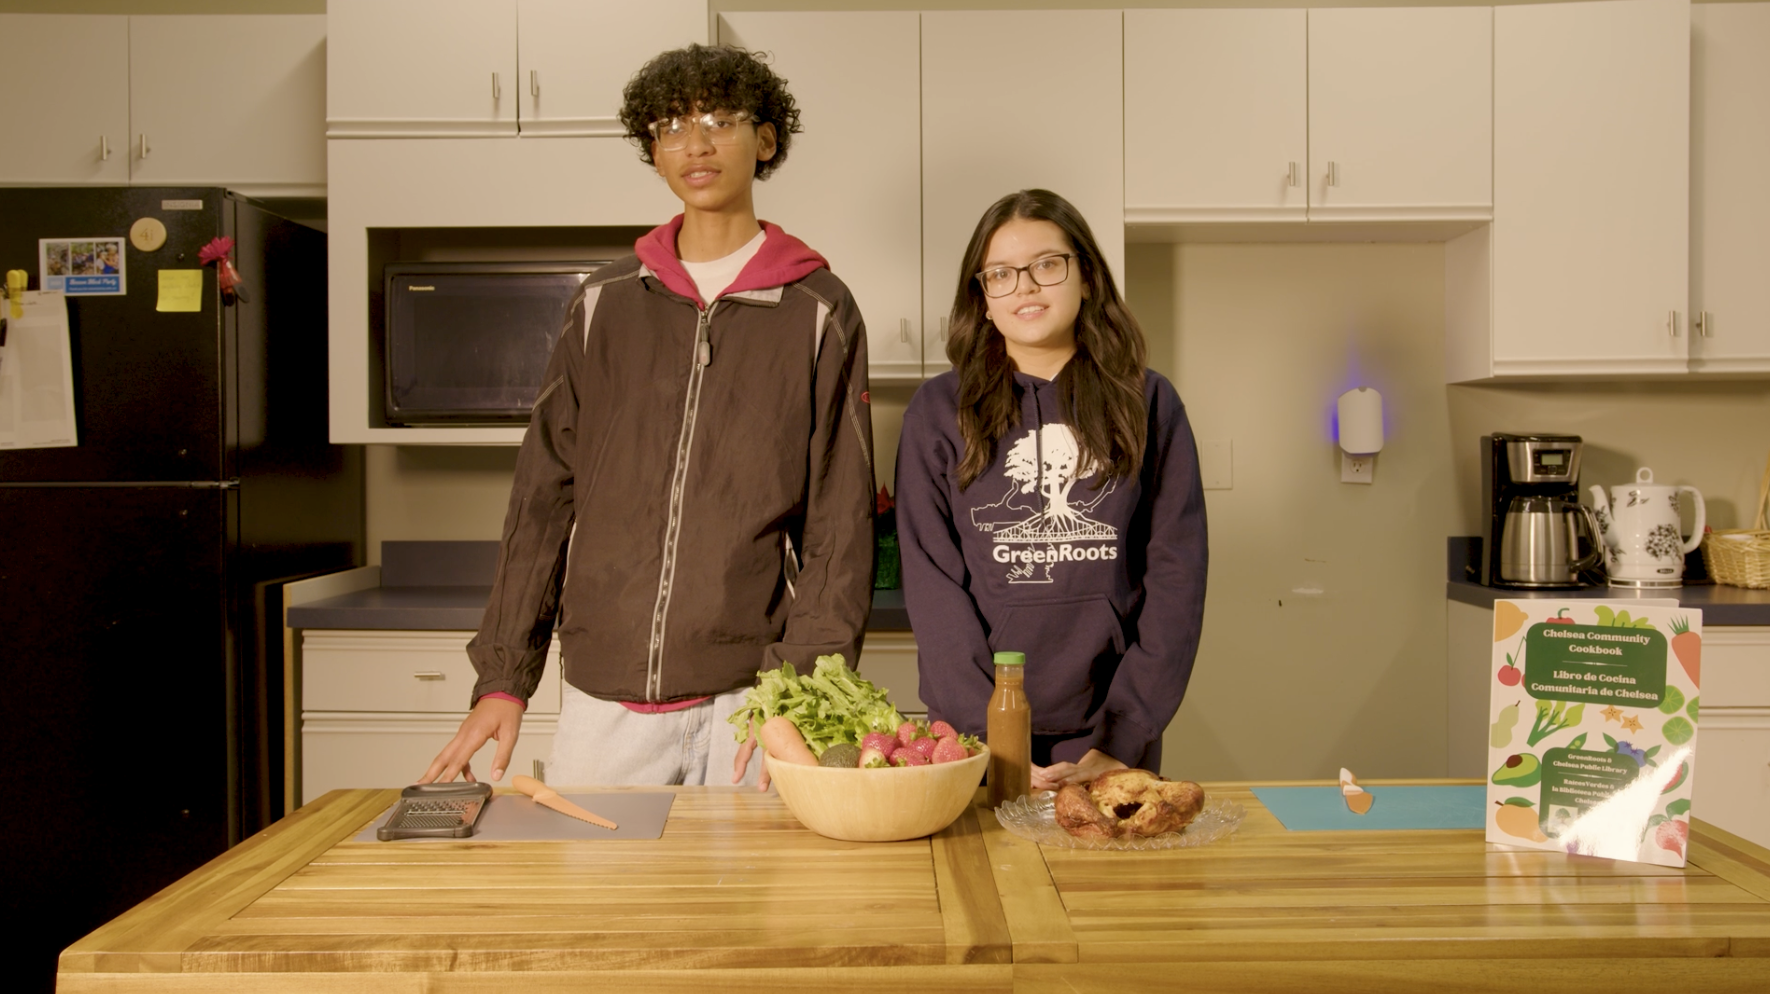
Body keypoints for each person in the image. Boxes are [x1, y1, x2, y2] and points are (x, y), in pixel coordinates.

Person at [419, 44, 875, 789]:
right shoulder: (603, 304)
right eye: (670, 126)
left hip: (753, 704)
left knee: (750, 909)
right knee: (600, 907)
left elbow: (839, 522)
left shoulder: (818, 310)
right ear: (652, 150)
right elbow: (543, 497)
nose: (694, 144)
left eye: (719, 121)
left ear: (765, 141)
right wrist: (504, 676)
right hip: (605, 704)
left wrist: (795, 692)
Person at [895, 189, 1207, 791]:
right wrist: (987, 740)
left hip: (1111, 739)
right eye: (1001, 275)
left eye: (1047, 265)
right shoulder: (937, 413)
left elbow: (1176, 578)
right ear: (982, 299)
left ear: (1085, 276)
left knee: (1107, 885)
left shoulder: (1148, 401)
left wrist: (1121, 739)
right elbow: (934, 588)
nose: (1025, 288)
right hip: (976, 741)